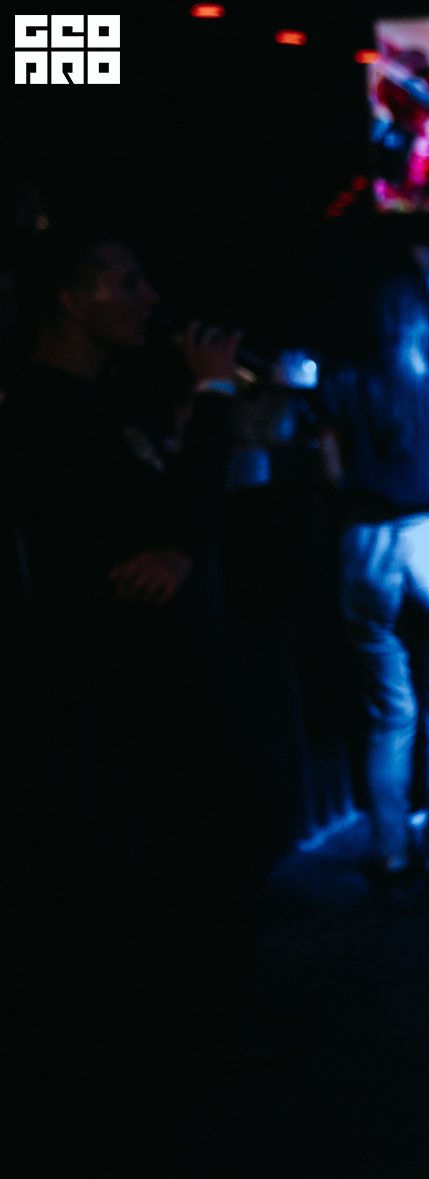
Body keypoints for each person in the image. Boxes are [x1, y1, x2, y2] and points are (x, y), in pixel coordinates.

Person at [0, 228, 259, 1060]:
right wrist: (213, 397)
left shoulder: (102, 398)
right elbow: (138, 533)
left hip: (158, 663)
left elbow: (166, 516)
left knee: (204, 830)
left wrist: (173, 524)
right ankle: (197, 1029)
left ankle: (224, 1006)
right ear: (73, 301)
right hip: (122, 675)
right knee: (171, 845)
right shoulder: (43, 407)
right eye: (128, 282)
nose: (150, 299)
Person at [317, 265, 429, 879]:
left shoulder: (340, 382)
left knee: (387, 716)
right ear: (426, 315)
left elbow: (333, 476)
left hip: (368, 545)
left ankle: (392, 853)